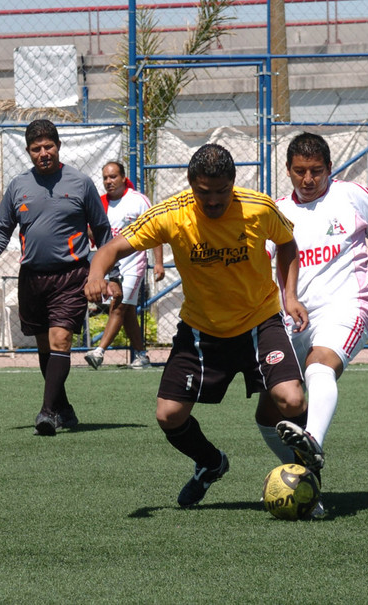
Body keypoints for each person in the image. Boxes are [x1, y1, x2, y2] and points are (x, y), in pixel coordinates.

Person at [84, 143, 311, 507]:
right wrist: (96, 275)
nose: (214, 200)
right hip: (202, 330)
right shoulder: (171, 213)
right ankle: (210, 462)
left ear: (233, 183)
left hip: (259, 322)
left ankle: (308, 479)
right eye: (205, 192)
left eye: (222, 191)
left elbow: (287, 243)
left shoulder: (259, 208)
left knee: (292, 398)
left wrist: (290, 296)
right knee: (169, 415)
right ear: (191, 185)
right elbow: (111, 249)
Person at [256, 132, 368, 516]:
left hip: (345, 307)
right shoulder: (276, 211)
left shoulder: (351, 195)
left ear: (329, 168)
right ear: (287, 170)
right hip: (292, 317)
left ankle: (312, 441)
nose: (308, 179)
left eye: (316, 171)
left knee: (320, 364)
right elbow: (259, 262)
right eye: (300, 171)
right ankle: (306, 477)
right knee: (270, 410)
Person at [0, 119, 121, 436]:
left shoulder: (80, 183)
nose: (43, 153)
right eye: (36, 149)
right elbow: (1, 231)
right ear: (29, 152)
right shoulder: (18, 186)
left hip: (71, 276)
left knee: (60, 340)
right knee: (45, 346)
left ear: (58, 146)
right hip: (32, 278)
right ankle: (63, 407)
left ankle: (47, 412)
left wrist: (113, 274)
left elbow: (103, 231)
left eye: (48, 146)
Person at [84, 161, 165, 370]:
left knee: (118, 303)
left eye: (113, 177)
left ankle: (99, 351)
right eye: (105, 178)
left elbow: (155, 231)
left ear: (123, 178)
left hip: (134, 262)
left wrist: (158, 262)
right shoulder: (100, 203)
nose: (108, 181)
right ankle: (141, 355)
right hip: (112, 266)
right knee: (127, 311)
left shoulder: (138, 201)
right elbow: (95, 232)